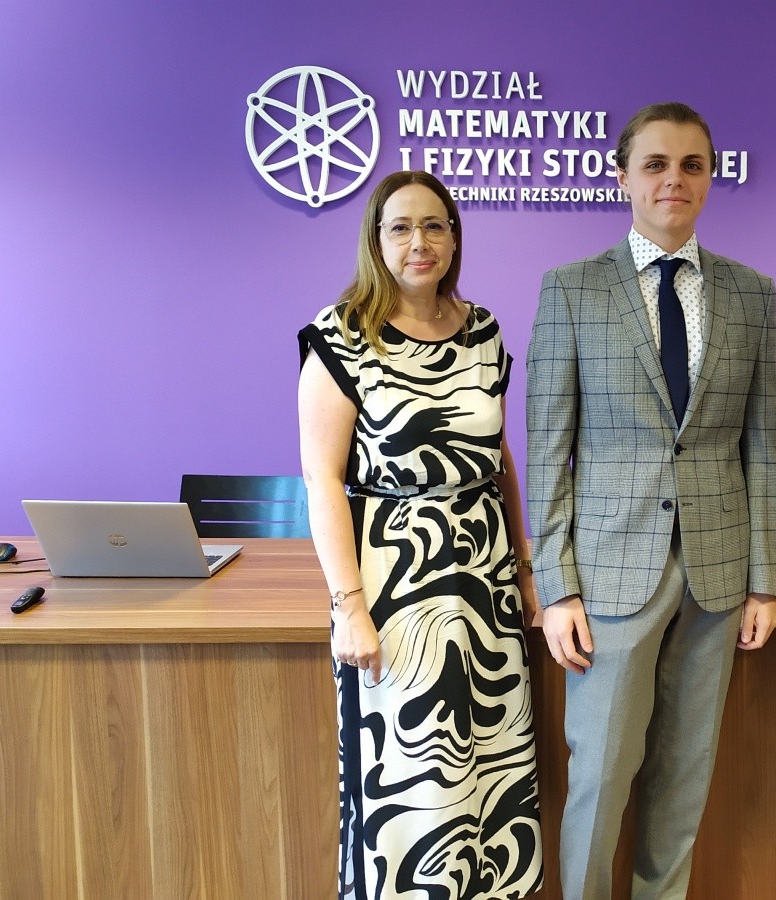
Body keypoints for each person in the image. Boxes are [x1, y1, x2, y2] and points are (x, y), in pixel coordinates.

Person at [525, 101, 776, 900]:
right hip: (608, 574)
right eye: (656, 164)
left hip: (716, 573)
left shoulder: (751, 293)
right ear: (623, 177)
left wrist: (764, 579)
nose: (675, 179)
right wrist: (555, 586)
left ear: (710, 177)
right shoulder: (571, 289)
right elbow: (547, 450)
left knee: (684, 776)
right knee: (601, 773)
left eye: (691, 165)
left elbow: (763, 441)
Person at [297, 170, 543, 900]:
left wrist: (525, 568)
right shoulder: (340, 336)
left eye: (434, 225)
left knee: (493, 769)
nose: (419, 242)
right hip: (395, 581)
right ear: (375, 240)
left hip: (486, 582)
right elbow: (322, 480)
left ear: (455, 237)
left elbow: (498, 459)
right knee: (415, 775)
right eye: (400, 227)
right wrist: (348, 606)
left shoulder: (483, 330)